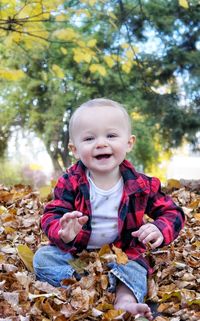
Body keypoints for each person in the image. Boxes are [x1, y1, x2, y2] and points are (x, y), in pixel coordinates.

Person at [33, 98, 185, 320]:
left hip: (122, 253)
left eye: (111, 136)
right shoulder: (70, 182)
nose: (101, 143)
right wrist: (62, 232)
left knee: (136, 267)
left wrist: (160, 229)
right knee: (42, 258)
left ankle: (125, 300)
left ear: (129, 143)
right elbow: (52, 215)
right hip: (78, 255)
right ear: (75, 149)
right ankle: (80, 284)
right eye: (89, 138)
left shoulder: (142, 185)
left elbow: (173, 213)